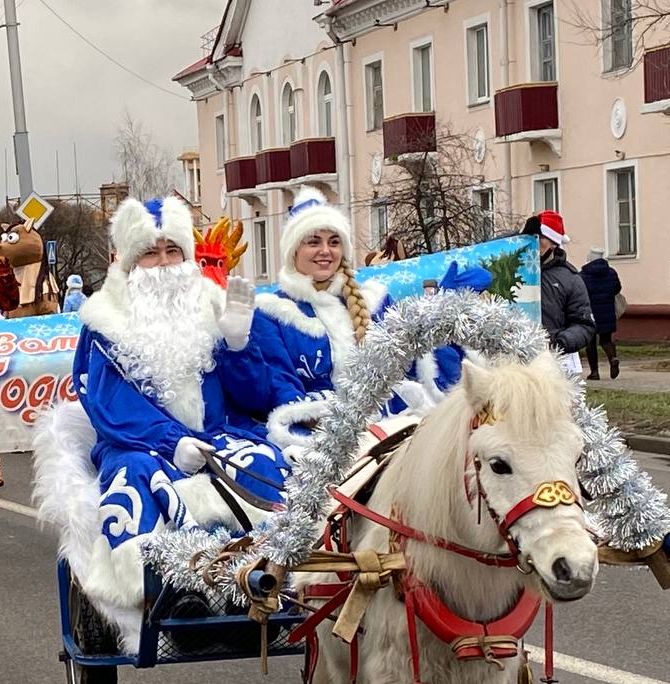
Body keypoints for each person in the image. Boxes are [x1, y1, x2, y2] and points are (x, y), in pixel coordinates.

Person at [72, 195, 286, 596]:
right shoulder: (104, 323)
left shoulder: (212, 306)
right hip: (139, 445)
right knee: (135, 479)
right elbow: (110, 407)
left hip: (216, 437)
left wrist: (239, 346)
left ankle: (273, 573)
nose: (165, 263)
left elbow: (257, 398)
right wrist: (171, 443)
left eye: (173, 251)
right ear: (128, 262)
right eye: (151, 254)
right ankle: (163, 589)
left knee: (264, 462)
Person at [224, 186, 461, 456]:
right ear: (293, 251)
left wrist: (442, 322)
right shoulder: (272, 312)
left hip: (391, 421)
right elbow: (280, 387)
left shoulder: (374, 300)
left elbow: (412, 363)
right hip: (317, 430)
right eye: (313, 242)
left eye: (333, 242)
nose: (325, 251)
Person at [521, 211, 595, 372]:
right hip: (513, 363)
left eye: (539, 238)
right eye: (529, 237)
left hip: (555, 365)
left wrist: (559, 343)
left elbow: (584, 324)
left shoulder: (570, 279)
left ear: (554, 243)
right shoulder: (512, 271)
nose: (533, 243)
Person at [581, 246, 623, 380]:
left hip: (590, 312)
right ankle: (613, 358)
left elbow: (580, 292)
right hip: (607, 311)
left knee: (590, 343)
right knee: (606, 339)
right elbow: (617, 288)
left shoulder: (584, 274)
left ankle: (594, 372)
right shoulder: (611, 272)